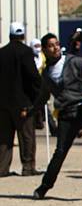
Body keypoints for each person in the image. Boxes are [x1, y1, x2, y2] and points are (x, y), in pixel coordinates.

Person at [32, 33, 82, 199]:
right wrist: (31, 112)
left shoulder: (72, 61)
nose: (55, 48)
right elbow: (43, 96)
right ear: (44, 50)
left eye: (57, 44)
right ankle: (44, 187)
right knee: (60, 152)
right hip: (66, 115)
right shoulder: (45, 74)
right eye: (51, 45)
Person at [0, 22, 42, 177]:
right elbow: (32, 76)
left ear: (10, 35)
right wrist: (40, 92)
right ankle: (28, 167)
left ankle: (2, 168)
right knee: (26, 136)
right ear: (23, 36)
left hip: (3, 102)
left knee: (4, 137)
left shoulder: (2, 52)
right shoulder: (26, 52)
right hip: (23, 102)